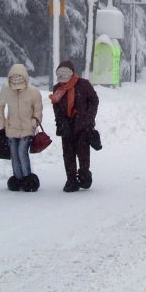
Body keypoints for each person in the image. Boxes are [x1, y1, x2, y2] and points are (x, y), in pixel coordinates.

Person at [50, 59, 99, 192]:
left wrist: (89, 117)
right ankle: (71, 179)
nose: (63, 77)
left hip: (82, 125)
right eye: (60, 74)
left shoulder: (83, 84)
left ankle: (84, 174)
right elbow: (56, 107)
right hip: (66, 126)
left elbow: (94, 100)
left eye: (66, 73)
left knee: (83, 152)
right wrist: (59, 122)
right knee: (68, 153)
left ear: (72, 73)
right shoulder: (57, 88)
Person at [0, 63, 43, 192]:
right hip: (11, 129)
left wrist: (34, 123)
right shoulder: (5, 91)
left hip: (27, 129)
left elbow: (38, 110)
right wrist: (3, 123)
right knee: (14, 154)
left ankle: (28, 178)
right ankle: (18, 178)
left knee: (22, 151)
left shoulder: (33, 92)